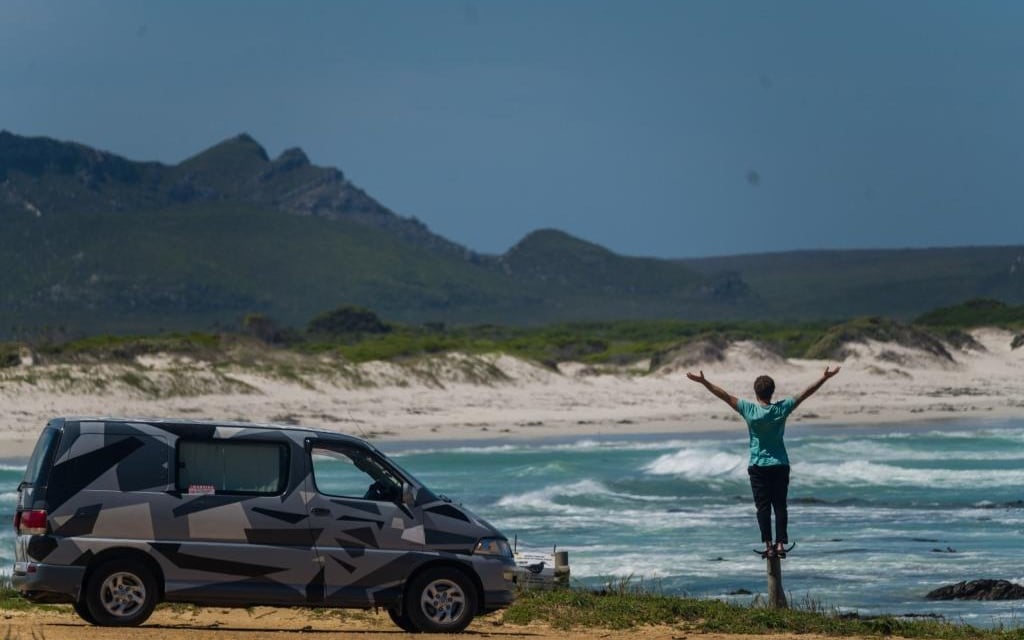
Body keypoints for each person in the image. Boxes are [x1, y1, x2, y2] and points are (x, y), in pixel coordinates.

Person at [686, 366, 840, 558]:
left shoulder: (749, 410)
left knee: (763, 508)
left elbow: (724, 396)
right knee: (780, 506)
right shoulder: (781, 408)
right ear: (772, 391)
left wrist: (704, 382)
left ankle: (768, 545)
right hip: (780, 465)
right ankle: (781, 545)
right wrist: (824, 378)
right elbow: (805, 394)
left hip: (758, 466)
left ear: (755, 392)